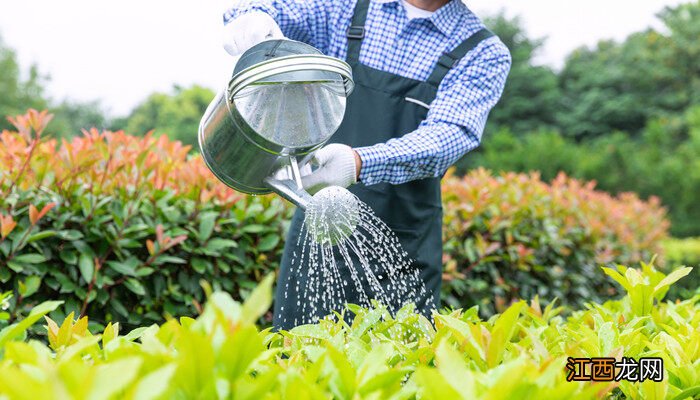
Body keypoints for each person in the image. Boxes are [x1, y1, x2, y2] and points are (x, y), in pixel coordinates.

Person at [223, 0, 511, 330]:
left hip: (401, 251)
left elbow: (448, 137)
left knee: (397, 371)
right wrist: (254, 19)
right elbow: (272, 9)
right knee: (297, 362)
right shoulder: (345, 8)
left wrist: (357, 163)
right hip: (318, 231)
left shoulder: (480, 51)